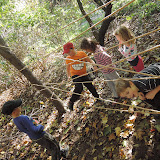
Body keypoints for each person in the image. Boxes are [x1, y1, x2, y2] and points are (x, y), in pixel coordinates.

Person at [1, 99, 68, 160]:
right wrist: (41, 126)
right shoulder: (23, 118)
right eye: (18, 107)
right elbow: (34, 130)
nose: (20, 107)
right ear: (14, 112)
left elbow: (22, 129)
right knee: (54, 146)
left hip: (34, 137)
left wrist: (32, 124)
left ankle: (62, 152)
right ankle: (57, 157)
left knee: (52, 145)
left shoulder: (15, 120)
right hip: (41, 135)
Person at [63, 42, 100, 110]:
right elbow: (68, 68)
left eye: (69, 52)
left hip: (84, 74)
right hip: (75, 75)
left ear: (73, 48)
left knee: (90, 86)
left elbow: (90, 60)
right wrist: (68, 76)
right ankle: (71, 102)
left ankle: (98, 98)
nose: (68, 54)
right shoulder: (68, 59)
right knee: (79, 88)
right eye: (66, 53)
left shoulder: (81, 54)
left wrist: (94, 66)